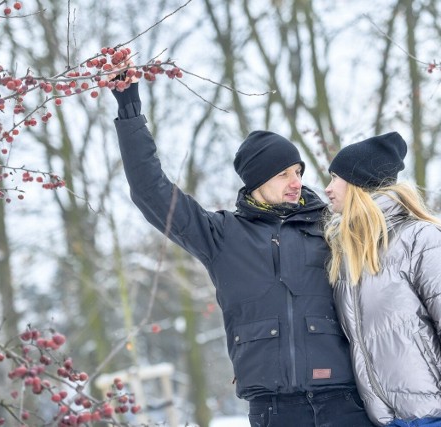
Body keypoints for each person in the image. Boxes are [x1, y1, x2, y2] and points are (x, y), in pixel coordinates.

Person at [109, 70, 373, 426]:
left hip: (344, 401)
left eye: (298, 172)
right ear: (257, 179)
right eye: (284, 174)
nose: (297, 182)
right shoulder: (222, 236)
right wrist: (129, 110)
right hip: (273, 409)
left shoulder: (330, 227)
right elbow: (150, 191)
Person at [323, 132, 441, 427]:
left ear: (359, 182)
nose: (328, 188)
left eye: (335, 178)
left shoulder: (421, 238)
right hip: (388, 420)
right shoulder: (350, 255)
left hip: (439, 416)